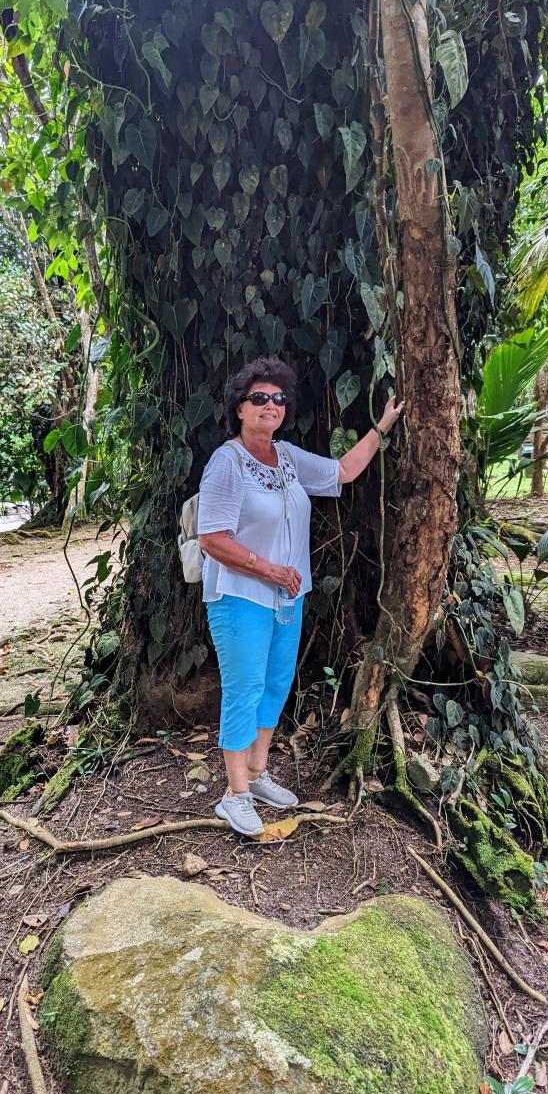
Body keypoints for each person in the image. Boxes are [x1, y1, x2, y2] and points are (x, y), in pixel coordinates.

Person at [197, 357, 404, 835]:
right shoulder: (227, 462)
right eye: (259, 398)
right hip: (240, 596)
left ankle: (257, 772)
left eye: (278, 398)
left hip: (288, 597)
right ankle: (234, 795)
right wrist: (269, 568)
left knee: (275, 684)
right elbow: (212, 538)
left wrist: (383, 424)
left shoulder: (287, 457)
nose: (271, 405)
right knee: (245, 688)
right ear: (240, 408)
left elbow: (343, 471)